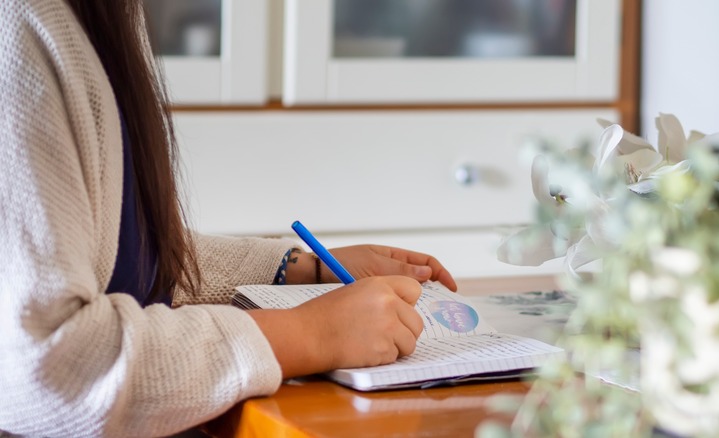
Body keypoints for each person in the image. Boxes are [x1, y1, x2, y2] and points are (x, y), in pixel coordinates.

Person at [0, 0, 458, 436]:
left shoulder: (98, 17)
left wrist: (301, 267)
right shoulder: (19, 27)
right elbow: (44, 365)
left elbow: (119, 258)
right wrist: (313, 333)